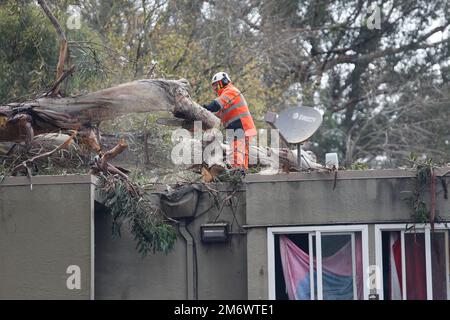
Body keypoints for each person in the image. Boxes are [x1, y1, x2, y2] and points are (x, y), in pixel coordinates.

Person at [202, 72, 257, 169]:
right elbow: (216, 116)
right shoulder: (226, 96)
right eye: (213, 86)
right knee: (239, 154)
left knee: (237, 154)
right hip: (239, 128)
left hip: (241, 127)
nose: (215, 88)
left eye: (216, 84)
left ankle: (238, 174)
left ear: (223, 82)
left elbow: (215, 105)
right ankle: (241, 173)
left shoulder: (230, 91)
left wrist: (203, 109)